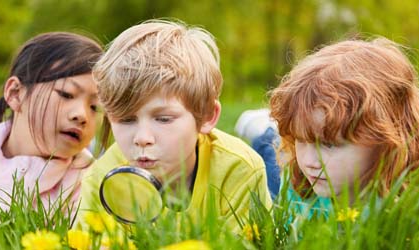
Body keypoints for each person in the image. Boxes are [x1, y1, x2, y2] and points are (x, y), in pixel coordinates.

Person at [75, 20, 272, 231]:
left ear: (206, 116)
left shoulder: (239, 169)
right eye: (126, 119)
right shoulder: (100, 178)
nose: (142, 138)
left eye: (163, 119)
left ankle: (268, 133)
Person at [236, 38, 419, 216]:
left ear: (386, 138)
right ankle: (267, 132)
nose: (310, 161)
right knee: (274, 170)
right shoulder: (297, 194)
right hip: (286, 177)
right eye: (301, 139)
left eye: (329, 144)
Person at [0, 32, 103, 221]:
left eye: (94, 107)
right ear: (15, 93)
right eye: (66, 94)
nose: (82, 115)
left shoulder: (92, 179)